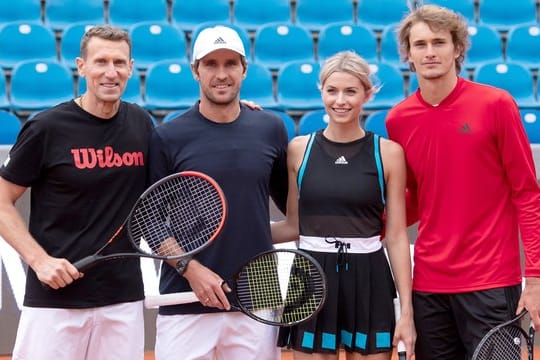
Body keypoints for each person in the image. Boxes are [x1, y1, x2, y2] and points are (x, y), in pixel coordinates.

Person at [386, 5, 540, 359]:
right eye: (420, 44)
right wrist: (359, 227)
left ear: (457, 49)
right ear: (408, 55)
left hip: (490, 282)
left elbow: (527, 195)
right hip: (428, 286)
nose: (429, 52)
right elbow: (412, 201)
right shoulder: (399, 120)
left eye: (439, 42)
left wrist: (534, 278)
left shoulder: (496, 105)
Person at [0, 25, 154, 359]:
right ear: (81, 66)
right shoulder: (47, 128)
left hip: (122, 300)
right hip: (55, 299)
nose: (110, 72)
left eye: (119, 62)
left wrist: (240, 108)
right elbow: (1, 200)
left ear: (131, 68)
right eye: (100, 62)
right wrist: (39, 261)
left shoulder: (141, 124)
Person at [147, 25, 288, 360]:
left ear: (244, 70)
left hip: (257, 297)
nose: (221, 74)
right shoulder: (168, 136)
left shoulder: (271, 127)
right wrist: (191, 269)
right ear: (195, 70)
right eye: (211, 64)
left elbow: (293, 212)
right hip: (184, 298)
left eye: (230, 64)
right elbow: (150, 221)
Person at [272, 51, 416, 359]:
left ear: (367, 93)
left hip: (369, 277)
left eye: (351, 91)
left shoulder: (388, 153)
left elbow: (396, 236)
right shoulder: (298, 150)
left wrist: (407, 310)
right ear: (321, 91)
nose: (341, 100)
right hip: (310, 275)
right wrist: (236, 234)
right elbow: (294, 226)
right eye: (332, 90)